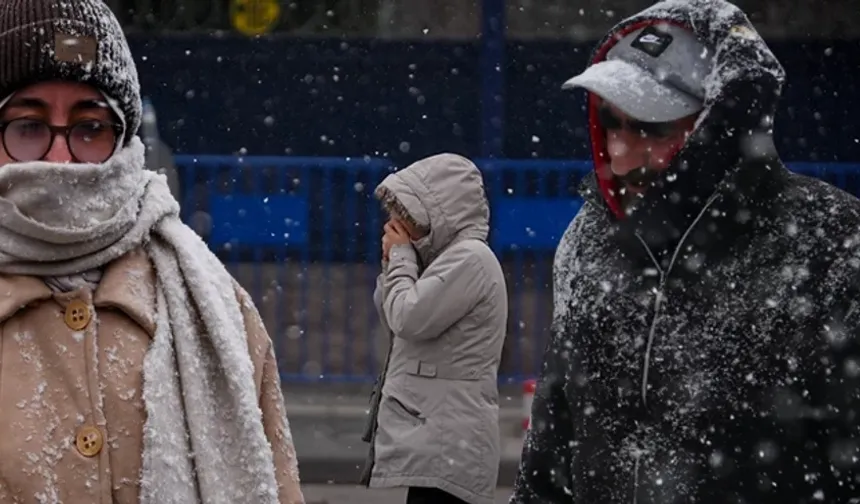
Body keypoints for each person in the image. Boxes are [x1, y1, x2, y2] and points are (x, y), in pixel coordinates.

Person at [511, 0, 860, 502]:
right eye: (612, 122)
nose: (621, 154)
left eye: (653, 128)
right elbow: (552, 443)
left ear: (719, 130)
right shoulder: (588, 241)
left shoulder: (828, 242)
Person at [0, 2, 304, 503]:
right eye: (28, 126)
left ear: (124, 141)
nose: (61, 160)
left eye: (90, 127)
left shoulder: (213, 306)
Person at [359, 153, 508, 504]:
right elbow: (394, 317)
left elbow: (408, 319)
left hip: (447, 440)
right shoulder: (446, 260)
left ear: (438, 214)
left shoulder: (470, 258)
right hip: (438, 438)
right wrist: (395, 262)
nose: (398, 227)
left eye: (407, 217)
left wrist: (401, 258)